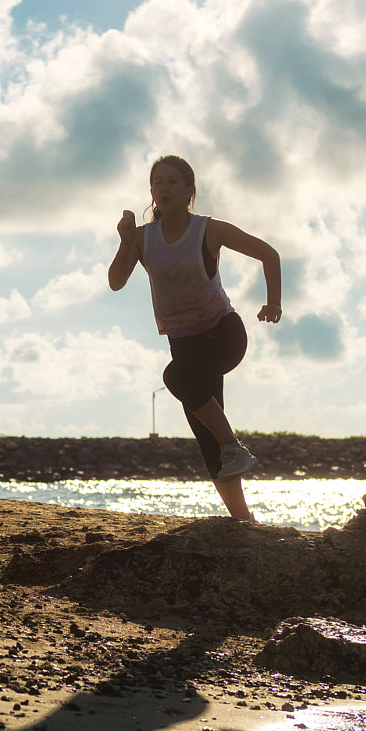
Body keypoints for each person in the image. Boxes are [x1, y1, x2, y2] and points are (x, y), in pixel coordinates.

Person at [108, 154, 282, 521]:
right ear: (152, 192)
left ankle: (235, 446)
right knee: (208, 441)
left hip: (223, 336)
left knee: (176, 377)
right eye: (158, 182)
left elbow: (268, 254)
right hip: (184, 345)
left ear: (190, 190)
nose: (165, 187)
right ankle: (243, 520)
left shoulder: (208, 230)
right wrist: (125, 241)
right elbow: (116, 282)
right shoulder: (141, 238)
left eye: (173, 181)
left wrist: (273, 302)